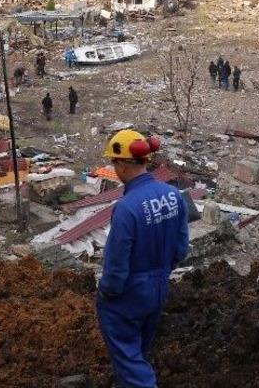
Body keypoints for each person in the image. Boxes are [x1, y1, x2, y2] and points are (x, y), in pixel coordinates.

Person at [97, 129, 189, 388]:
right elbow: (181, 249)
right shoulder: (173, 195)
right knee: (139, 348)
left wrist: (107, 293)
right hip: (159, 287)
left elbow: (116, 267)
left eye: (114, 163)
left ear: (123, 163)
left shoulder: (126, 208)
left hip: (130, 293)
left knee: (129, 357)